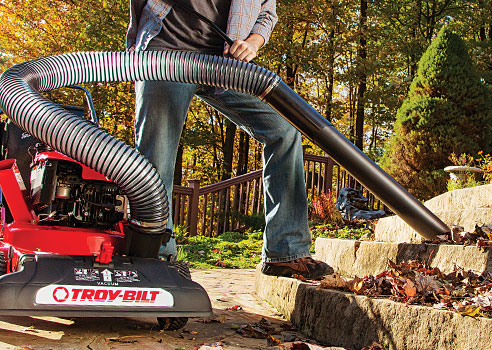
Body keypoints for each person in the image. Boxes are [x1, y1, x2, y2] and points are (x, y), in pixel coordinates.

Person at [126, 0, 332, 279]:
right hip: (166, 51)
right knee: (157, 156)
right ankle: (157, 259)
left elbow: (267, 13)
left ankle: (285, 252)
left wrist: (253, 43)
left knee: (283, 130)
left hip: (224, 62)